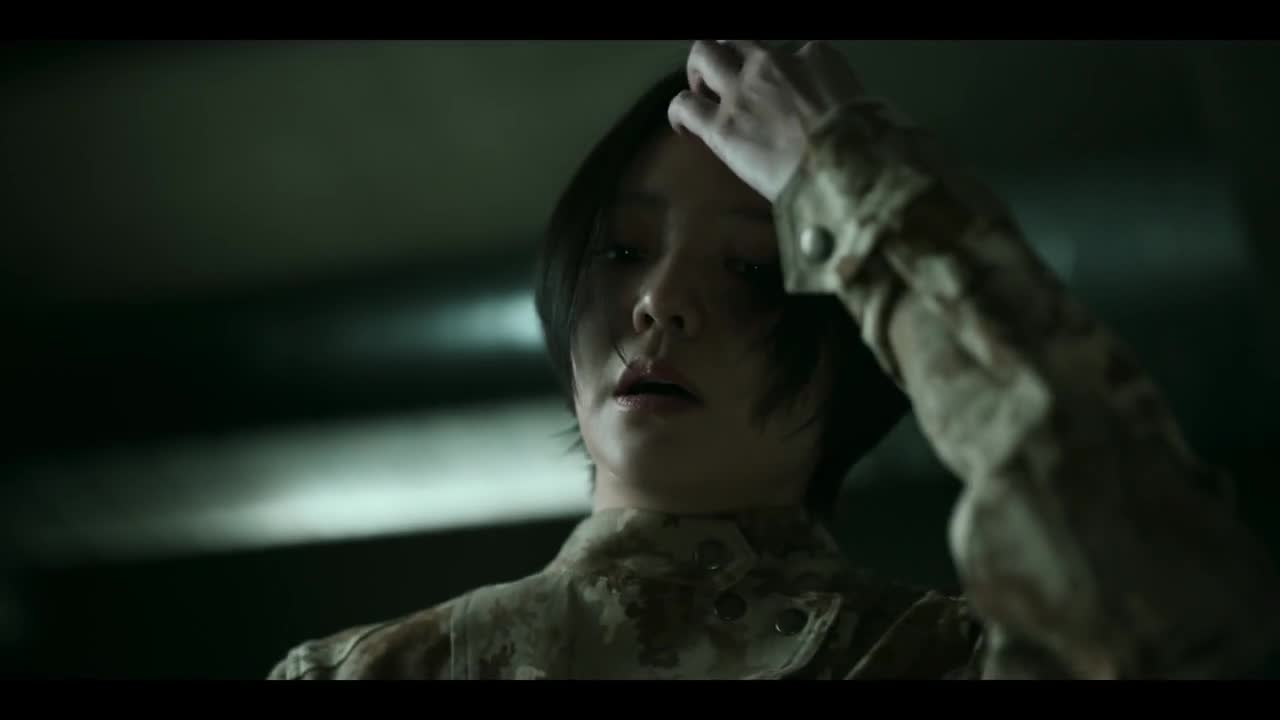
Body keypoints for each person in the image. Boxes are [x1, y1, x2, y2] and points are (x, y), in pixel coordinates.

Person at [267, 41, 1280, 680]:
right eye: (619, 251)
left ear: (859, 341)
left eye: (753, 269)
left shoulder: (932, 660)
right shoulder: (365, 673)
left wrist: (855, 186)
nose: (659, 300)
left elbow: (1164, 590)